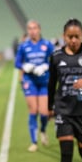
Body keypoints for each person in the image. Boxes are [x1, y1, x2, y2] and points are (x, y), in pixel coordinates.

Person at [48, 18, 82, 162]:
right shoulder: (56, 56)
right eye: (69, 37)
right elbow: (51, 84)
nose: (73, 40)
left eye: (76, 36)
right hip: (63, 110)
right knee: (66, 152)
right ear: (64, 36)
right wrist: (49, 107)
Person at [15, 20, 55, 152]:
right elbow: (17, 63)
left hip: (44, 81)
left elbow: (56, 60)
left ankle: (43, 130)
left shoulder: (47, 44)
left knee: (44, 113)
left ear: (39, 29)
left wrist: (46, 66)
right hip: (30, 81)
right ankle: (34, 142)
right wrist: (25, 66)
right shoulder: (23, 46)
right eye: (30, 28)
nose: (32, 31)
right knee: (33, 111)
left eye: (35, 28)